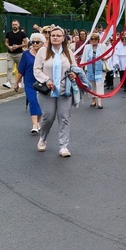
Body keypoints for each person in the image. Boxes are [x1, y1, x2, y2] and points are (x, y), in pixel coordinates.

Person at [33, 26, 79, 157]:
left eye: (58, 35)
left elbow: (74, 67)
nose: (55, 37)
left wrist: (73, 74)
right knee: (48, 117)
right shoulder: (43, 51)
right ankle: (43, 138)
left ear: (63, 38)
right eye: (53, 35)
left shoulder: (68, 52)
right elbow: (36, 69)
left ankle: (63, 146)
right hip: (47, 91)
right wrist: (46, 80)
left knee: (64, 117)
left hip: (65, 91)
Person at [14, 32, 45, 133]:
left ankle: (38, 122)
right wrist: (16, 83)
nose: (35, 44)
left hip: (42, 83)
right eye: (33, 42)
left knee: (40, 103)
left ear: (42, 43)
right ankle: (35, 125)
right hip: (29, 82)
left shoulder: (46, 54)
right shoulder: (26, 54)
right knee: (32, 100)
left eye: (37, 42)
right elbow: (21, 70)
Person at [83, 33, 106, 109]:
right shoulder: (87, 47)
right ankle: (93, 100)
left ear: (98, 40)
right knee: (91, 84)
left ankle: (99, 101)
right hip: (90, 68)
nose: (94, 41)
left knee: (99, 84)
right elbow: (84, 57)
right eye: (92, 39)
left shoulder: (102, 46)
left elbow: (106, 56)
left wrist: (104, 58)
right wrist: (81, 66)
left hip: (99, 68)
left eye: (95, 39)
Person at [4, 19, 28, 89]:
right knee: (9, 67)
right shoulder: (9, 33)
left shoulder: (22, 34)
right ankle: (8, 82)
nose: (14, 26)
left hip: (19, 53)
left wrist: (18, 46)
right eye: (13, 24)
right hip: (10, 53)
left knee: (19, 68)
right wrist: (9, 47)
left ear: (18, 25)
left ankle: (19, 82)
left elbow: (25, 43)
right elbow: (6, 42)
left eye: (16, 24)